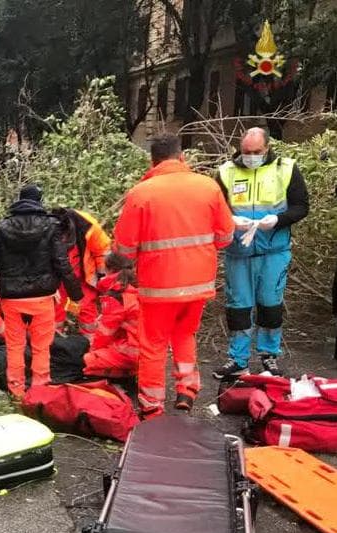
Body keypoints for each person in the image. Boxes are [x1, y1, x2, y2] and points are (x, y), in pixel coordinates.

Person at [114, 133, 234, 419]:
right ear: (182, 157)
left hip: (159, 286)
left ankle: (152, 405)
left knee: (153, 344)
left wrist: (129, 265)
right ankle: (187, 390)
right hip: (198, 284)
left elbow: (124, 248)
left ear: (152, 160)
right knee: (185, 334)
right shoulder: (208, 187)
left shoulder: (142, 193)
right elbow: (226, 236)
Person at [214, 127, 310, 379]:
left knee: (271, 305)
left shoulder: (285, 169)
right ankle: (238, 359)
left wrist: (278, 220)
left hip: (274, 250)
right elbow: (215, 209)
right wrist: (231, 219)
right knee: (238, 307)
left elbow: (301, 207)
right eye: (246, 152)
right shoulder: (226, 172)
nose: (251, 156)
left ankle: (269, 356)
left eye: (256, 152)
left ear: (267, 148)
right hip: (238, 251)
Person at [0, 184, 83, 398]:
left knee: (15, 345)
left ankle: (16, 389)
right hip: (42, 297)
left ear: (20, 199)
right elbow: (62, 263)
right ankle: (39, 389)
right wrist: (75, 294)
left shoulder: (3, 227)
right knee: (41, 346)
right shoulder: (51, 226)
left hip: (12, 298)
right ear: (39, 200)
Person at [52, 208, 112, 339]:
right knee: (54, 313)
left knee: (87, 310)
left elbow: (103, 251)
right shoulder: (45, 227)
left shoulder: (88, 226)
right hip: (58, 278)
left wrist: (103, 277)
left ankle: (90, 345)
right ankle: (54, 346)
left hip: (83, 277)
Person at [83, 252, 139, 380]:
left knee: (87, 360)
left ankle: (126, 373)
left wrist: (93, 353)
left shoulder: (117, 294)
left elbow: (104, 334)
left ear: (110, 270)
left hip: (132, 353)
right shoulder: (136, 288)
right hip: (147, 352)